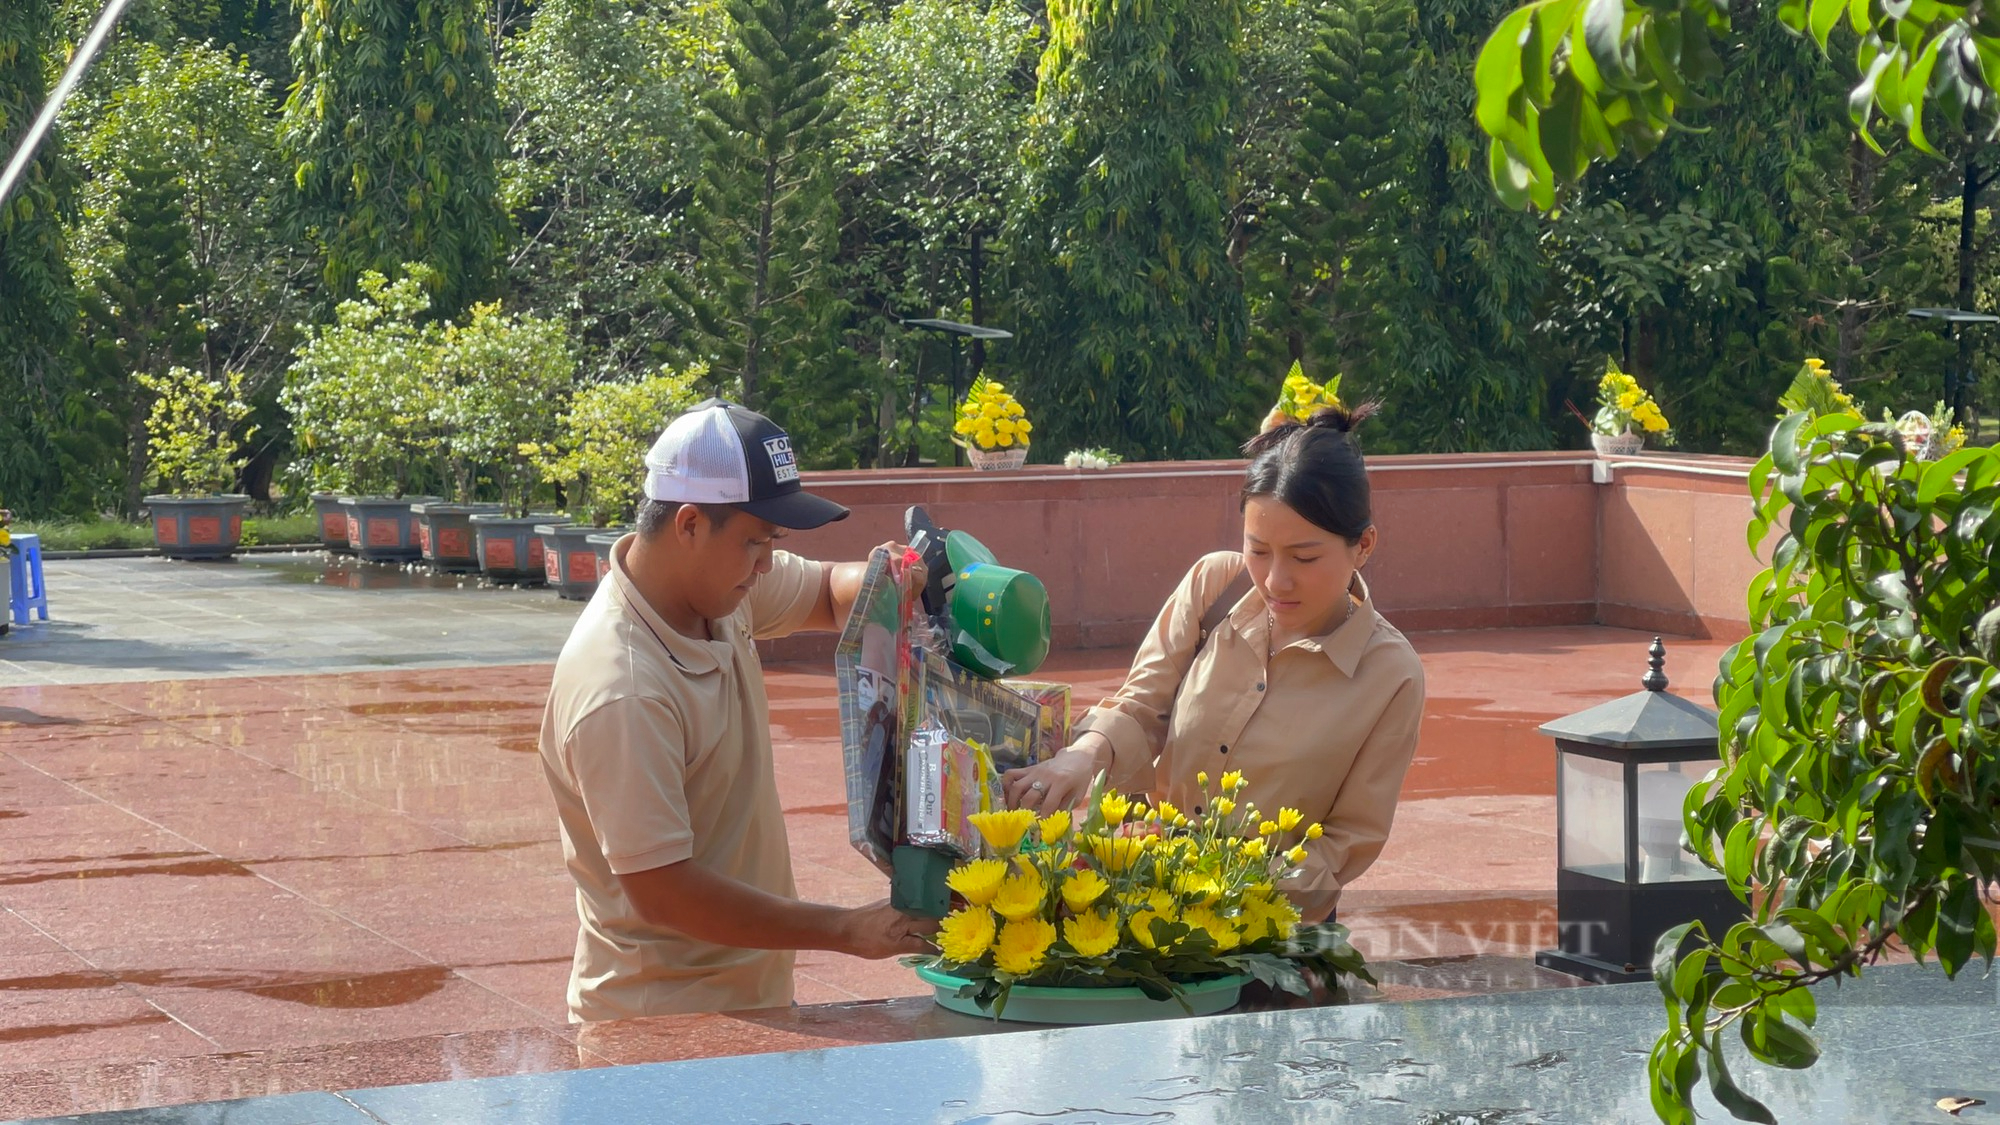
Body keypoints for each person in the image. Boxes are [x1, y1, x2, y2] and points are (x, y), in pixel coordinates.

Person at [539, 399, 935, 1022]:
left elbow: (832, 592)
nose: (767, 563)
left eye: (773, 542)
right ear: (690, 524)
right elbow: (664, 892)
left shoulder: (718, 594)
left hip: (749, 1000)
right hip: (660, 1027)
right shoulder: (623, 686)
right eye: (756, 541)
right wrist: (845, 930)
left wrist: (895, 577)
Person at [1000, 404, 1425, 922]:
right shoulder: (1214, 587)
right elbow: (1140, 706)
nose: (1275, 581)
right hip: (1142, 887)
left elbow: (1344, 846)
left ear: (1363, 546)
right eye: (1259, 550)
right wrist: (1081, 757)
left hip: (1261, 924)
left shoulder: (1391, 674)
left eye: (1305, 557)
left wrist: (1218, 889)